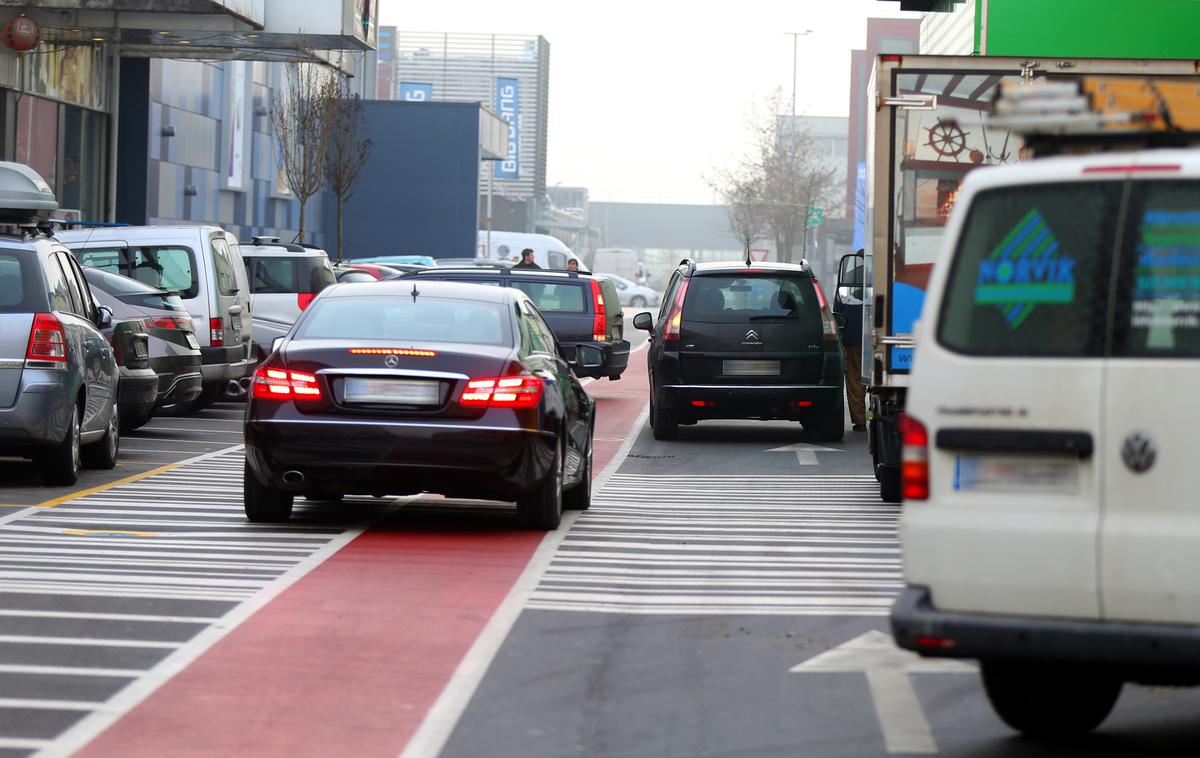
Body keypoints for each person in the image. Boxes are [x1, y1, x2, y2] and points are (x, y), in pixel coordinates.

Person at [841, 251, 867, 432]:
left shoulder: (850, 278)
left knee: (855, 379)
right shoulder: (894, 273)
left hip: (854, 337)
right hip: (885, 338)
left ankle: (860, 421)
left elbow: (839, 309)